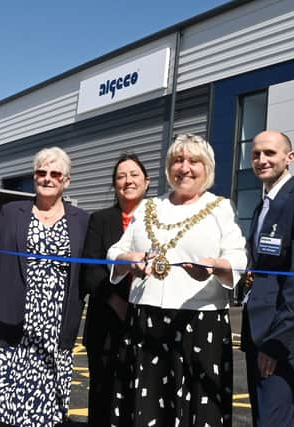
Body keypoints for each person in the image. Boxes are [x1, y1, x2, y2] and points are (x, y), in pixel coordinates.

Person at [107, 133, 247, 426]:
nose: (184, 168)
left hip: (200, 323)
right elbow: (116, 251)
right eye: (177, 160)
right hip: (145, 320)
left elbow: (238, 259)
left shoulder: (220, 207)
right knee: (147, 409)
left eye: (194, 161)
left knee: (197, 407)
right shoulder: (148, 206)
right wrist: (127, 260)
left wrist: (214, 265)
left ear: (206, 168)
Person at [0, 147, 89, 426]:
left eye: (55, 173)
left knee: (44, 404)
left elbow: (92, 270)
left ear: (66, 181)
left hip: (55, 321)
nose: (47, 178)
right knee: (3, 401)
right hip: (12, 312)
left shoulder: (83, 220)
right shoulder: (12, 212)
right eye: (41, 172)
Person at [241, 130, 294, 427]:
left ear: (289, 158)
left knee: (272, 422)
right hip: (257, 333)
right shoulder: (262, 204)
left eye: (270, 153)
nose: (261, 160)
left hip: (281, 338)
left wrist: (278, 341)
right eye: (256, 154)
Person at [79, 153, 150, 426]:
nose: (128, 180)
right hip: (107, 324)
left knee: (143, 397)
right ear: (114, 185)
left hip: (149, 324)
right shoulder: (100, 219)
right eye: (121, 176)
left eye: (134, 175)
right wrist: (118, 303)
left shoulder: (158, 220)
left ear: (147, 182)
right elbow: (91, 273)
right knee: (102, 397)